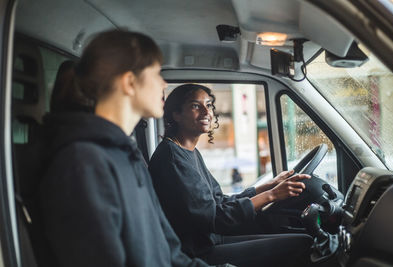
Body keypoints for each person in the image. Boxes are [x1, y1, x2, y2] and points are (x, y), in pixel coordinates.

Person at [39, 31, 209, 267]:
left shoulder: (129, 155)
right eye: (156, 73)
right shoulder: (83, 163)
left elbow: (170, 254)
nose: (164, 83)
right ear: (129, 82)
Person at [148, 83, 313, 267]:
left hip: (209, 241)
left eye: (209, 105)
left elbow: (218, 201)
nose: (206, 112)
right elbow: (216, 218)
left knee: (296, 238)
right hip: (196, 253)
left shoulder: (188, 151)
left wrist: (269, 186)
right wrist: (272, 195)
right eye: (196, 106)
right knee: (303, 243)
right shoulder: (172, 158)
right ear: (176, 114)